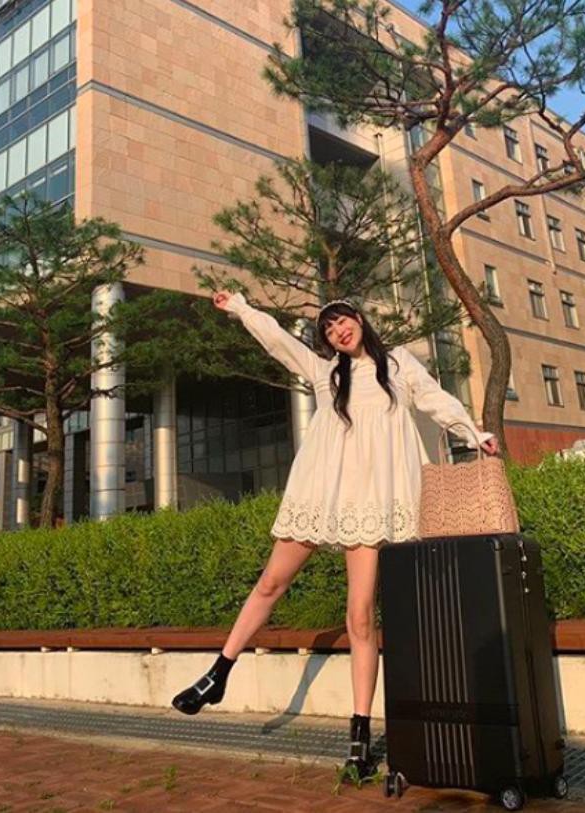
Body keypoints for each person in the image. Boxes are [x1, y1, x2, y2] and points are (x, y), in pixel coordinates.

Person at [172, 291, 499, 777]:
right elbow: (278, 341)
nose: (337, 331)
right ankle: (218, 674)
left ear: (359, 320)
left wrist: (473, 432)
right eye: (327, 328)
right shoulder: (325, 374)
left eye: (341, 321)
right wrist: (241, 308)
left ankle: (359, 738)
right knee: (270, 583)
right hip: (321, 495)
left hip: (367, 505)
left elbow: (435, 399)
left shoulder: (398, 365)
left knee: (360, 617)